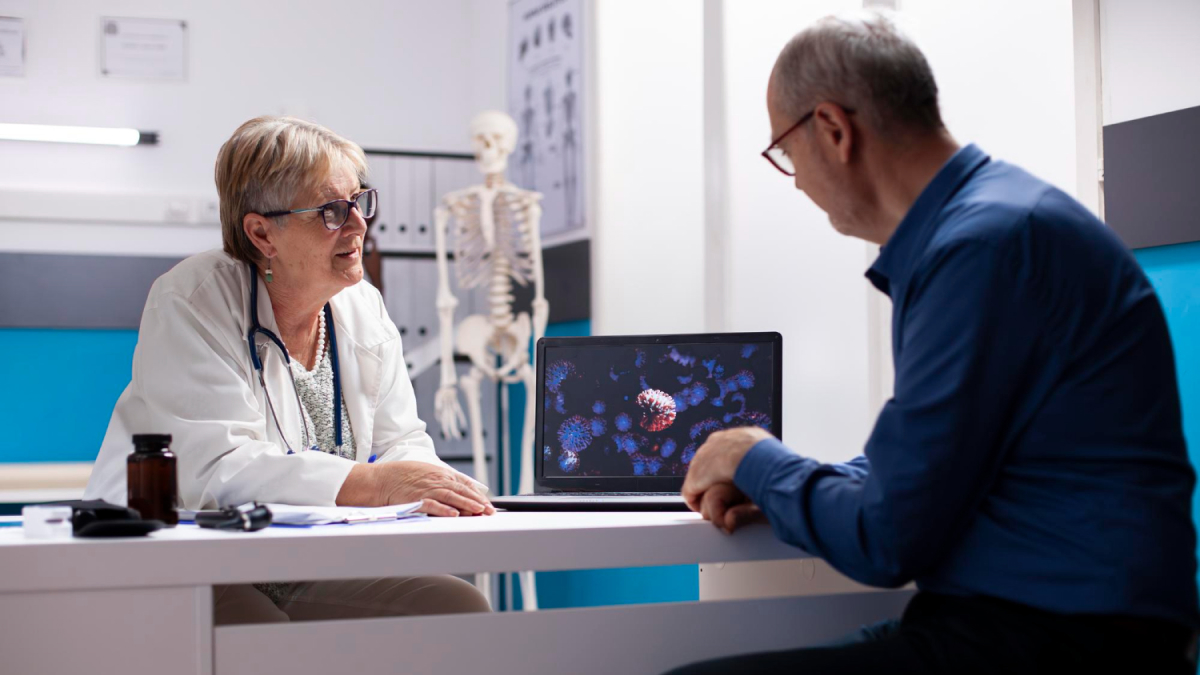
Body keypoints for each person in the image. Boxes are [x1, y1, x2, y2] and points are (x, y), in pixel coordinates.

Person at [674, 12, 1200, 674]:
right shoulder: (1000, 223)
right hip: (1048, 621)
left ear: (833, 129)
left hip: (1064, 639)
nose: (798, 180)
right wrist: (787, 483)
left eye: (785, 152)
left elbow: (885, 538)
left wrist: (750, 454)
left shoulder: (981, 249)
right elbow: (925, 475)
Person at [84, 115, 492, 623]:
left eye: (359, 202)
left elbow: (402, 441)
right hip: (190, 557)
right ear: (262, 233)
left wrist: (425, 485)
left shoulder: (362, 306)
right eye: (331, 211)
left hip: (307, 560)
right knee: (261, 631)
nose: (358, 225)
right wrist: (376, 484)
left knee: (455, 605)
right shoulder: (193, 299)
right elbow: (220, 471)